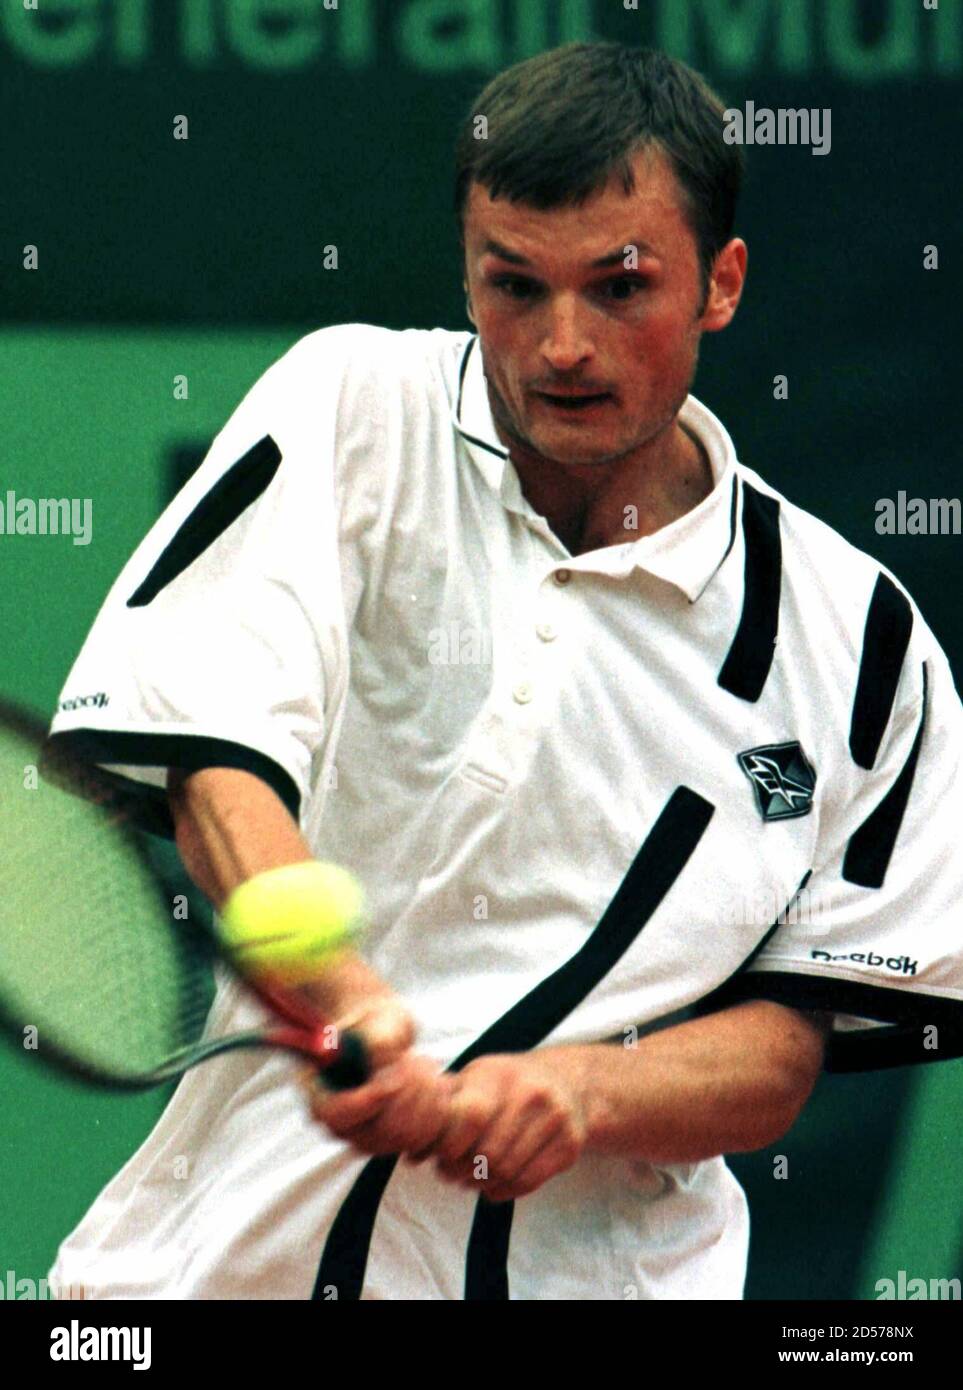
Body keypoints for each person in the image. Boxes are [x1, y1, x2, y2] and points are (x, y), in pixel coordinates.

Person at [44, 42, 963, 1301]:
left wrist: (579, 1091)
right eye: (513, 285)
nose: (562, 345)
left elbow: (788, 1046)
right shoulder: (348, 409)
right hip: (200, 1281)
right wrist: (343, 992)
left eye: (620, 286)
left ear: (722, 284)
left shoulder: (861, 644)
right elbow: (216, 767)